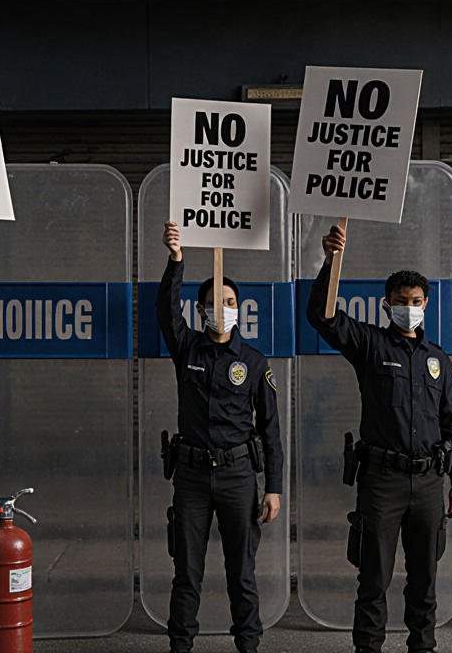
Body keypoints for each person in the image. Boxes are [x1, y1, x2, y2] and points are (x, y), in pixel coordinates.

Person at [308, 224, 452, 653]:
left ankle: (423, 647)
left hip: (430, 484)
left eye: (416, 302)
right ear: (387, 305)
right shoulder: (369, 344)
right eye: (401, 302)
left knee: (424, 583)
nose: (409, 308)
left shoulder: (438, 361)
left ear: (426, 305)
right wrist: (329, 262)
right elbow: (320, 317)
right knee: (373, 580)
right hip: (382, 482)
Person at [158, 222, 283, 653]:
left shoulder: (253, 361)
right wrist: (176, 259)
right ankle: (180, 647)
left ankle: (248, 645)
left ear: (238, 309)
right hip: (191, 479)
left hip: (238, 479)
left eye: (229, 302)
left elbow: (271, 430)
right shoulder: (186, 348)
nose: (223, 308)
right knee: (187, 573)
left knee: (241, 574)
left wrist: (274, 489)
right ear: (201, 310)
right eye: (214, 302)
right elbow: (164, 311)